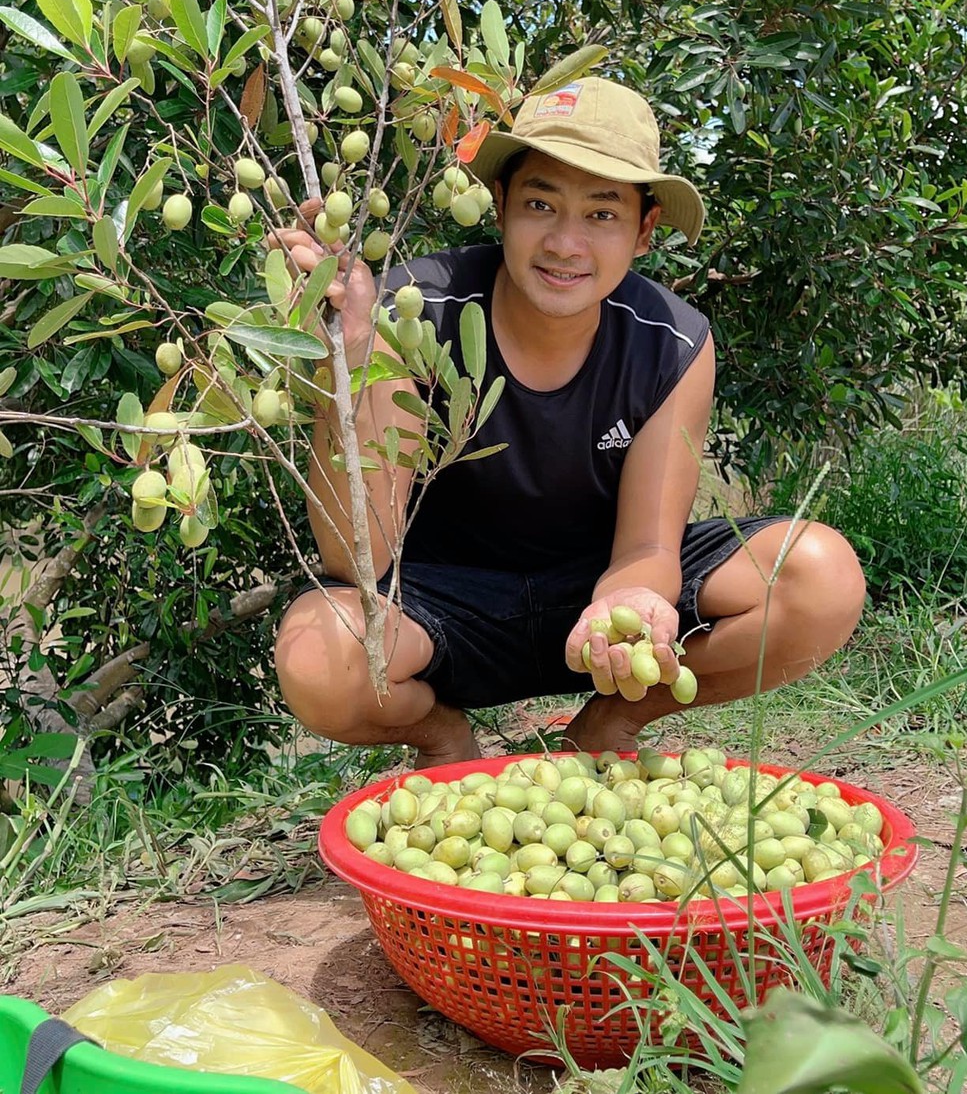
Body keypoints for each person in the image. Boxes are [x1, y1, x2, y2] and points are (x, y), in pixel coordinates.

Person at [273, 77, 866, 766]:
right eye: (540, 204)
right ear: (500, 208)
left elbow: (647, 546)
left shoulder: (671, 342)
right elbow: (360, 559)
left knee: (818, 576)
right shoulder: (411, 314)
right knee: (318, 653)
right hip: (444, 612)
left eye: (603, 215)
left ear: (645, 231)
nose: (565, 243)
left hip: (595, 595)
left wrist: (635, 604)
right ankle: (443, 738)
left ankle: (607, 724)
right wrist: (345, 364)